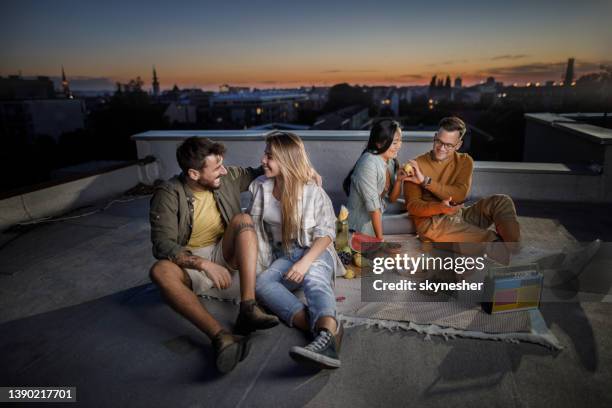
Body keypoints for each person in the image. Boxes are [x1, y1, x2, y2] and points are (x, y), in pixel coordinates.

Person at [148, 137, 279, 374]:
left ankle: (248, 309)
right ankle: (221, 337)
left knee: (243, 219)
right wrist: (203, 264)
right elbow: (162, 245)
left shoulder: (227, 177)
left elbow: (264, 169)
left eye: (222, 163)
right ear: (194, 174)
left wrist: (305, 171)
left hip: (223, 251)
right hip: (191, 263)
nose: (224, 170)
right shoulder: (167, 194)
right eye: (216, 167)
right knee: (159, 270)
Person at [250, 131, 345, 369]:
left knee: (314, 279)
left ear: (286, 159)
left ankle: (325, 338)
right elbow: (256, 227)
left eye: (270, 156)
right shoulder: (260, 187)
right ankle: (327, 331)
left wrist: (304, 263)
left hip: (314, 250)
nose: (263, 159)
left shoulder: (313, 191)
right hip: (284, 253)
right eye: (265, 153)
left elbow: (326, 233)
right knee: (261, 284)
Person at [404, 116, 521, 257]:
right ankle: (500, 250)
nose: (441, 148)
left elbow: (460, 194)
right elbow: (413, 207)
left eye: (448, 145)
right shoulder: (416, 165)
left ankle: (513, 248)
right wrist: (440, 207)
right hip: (433, 225)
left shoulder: (465, 161)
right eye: (439, 142)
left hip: (459, 215)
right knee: (489, 240)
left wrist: (425, 181)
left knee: (502, 201)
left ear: (458, 145)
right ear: (435, 137)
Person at [344, 119, 414, 240]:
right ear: (379, 144)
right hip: (362, 223)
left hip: (381, 208)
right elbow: (373, 209)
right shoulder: (368, 163)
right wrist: (380, 241)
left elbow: (392, 199)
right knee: (414, 220)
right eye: (395, 142)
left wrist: (398, 180)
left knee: (412, 206)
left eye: (400, 140)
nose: (399, 145)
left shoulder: (390, 161)